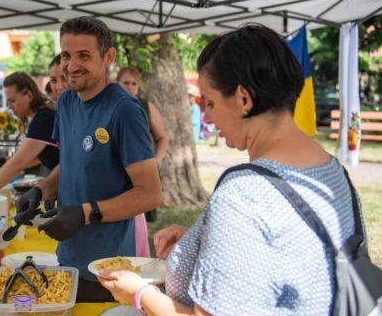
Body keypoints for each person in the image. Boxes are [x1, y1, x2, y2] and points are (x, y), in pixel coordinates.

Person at [97, 24, 362, 315]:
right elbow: (297, 254)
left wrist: (140, 293)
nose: (207, 117)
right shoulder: (333, 172)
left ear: (243, 99)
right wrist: (204, 238)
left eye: (209, 102)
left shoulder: (244, 194)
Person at [16, 16, 162, 302]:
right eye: (66, 55)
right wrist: (41, 190)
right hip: (66, 257)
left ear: (108, 56)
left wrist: (86, 213)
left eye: (84, 55)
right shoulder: (68, 101)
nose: (71, 66)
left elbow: (150, 194)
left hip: (108, 270)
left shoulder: (124, 110)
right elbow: (71, 163)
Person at [0, 71, 60, 197]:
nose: (10, 107)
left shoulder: (43, 118)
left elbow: (19, 162)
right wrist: (3, 161)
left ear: (29, 95)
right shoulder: (42, 114)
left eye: (12, 101)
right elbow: (36, 156)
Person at [116, 67, 169, 165]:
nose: (130, 87)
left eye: (134, 83)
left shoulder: (147, 107)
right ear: (117, 83)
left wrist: (157, 160)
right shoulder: (107, 105)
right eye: (126, 83)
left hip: (141, 168)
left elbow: (162, 138)